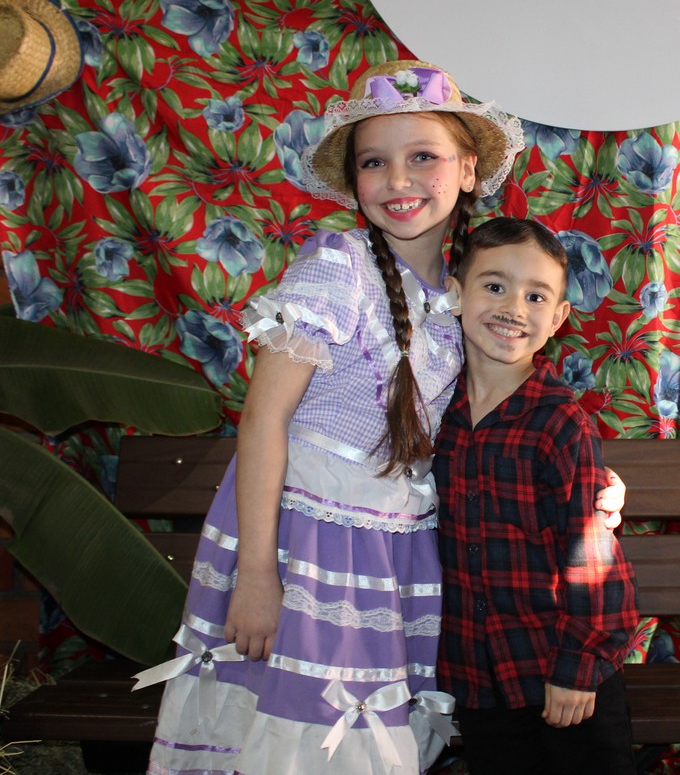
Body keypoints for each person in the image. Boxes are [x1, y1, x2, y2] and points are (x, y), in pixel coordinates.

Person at [140, 61, 623, 775]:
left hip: (394, 549)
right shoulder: (336, 268)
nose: (399, 179)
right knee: (302, 739)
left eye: (423, 156)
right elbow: (262, 422)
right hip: (306, 543)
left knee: (364, 740)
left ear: (467, 170)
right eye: (374, 162)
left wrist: (591, 481)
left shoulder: (465, 293)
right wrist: (257, 575)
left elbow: (489, 416)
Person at [434, 217, 639, 775]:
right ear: (455, 292)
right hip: (478, 676)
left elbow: (592, 558)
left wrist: (578, 665)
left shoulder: (559, 422)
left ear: (558, 317)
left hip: (561, 671)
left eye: (535, 296)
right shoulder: (434, 410)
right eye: (494, 286)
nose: (513, 308)